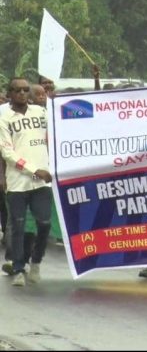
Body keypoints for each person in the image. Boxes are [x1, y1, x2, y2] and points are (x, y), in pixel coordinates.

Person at [0, 78, 53, 287]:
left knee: (44, 224)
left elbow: (65, 126)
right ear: (10, 93)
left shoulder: (40, 113)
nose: (22, 93)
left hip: (41, 182)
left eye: (25, 90)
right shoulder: (4, 118)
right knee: (19, 226)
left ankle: (37, 261)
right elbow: (7, 152)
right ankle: (19, 268)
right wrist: (34, 170)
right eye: (17, 90)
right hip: (17, 182)